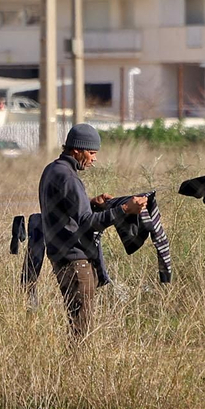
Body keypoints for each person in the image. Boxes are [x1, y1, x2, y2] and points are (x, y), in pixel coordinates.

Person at [38, 123, 144, 338]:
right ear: (76, 150)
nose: (94, 159)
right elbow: (88, 222)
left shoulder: (53, 169)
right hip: (76, 260)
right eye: (92, 153)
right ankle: (76, 368)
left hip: (60, 256)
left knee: (76, 322)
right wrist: (125, 209)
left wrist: (92, 203)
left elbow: (68, 210)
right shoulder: (69, 178)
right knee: (81, 329)